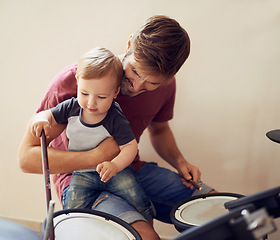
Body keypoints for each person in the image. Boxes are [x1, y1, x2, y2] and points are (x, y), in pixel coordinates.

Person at [18, 15, 215, 240]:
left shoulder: (166, 86)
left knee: (219, 211)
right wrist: (95, 157)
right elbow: (26, 158)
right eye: (135, 72)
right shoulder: (77, 82)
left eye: (152, 83)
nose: (137, 86)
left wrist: (180, 162)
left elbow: (159, 130)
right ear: (129, 44)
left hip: (131, 169)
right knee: (146, 236)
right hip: (80, 180)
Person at [30, 47, 155, 222]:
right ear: (77, 82)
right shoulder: (71, 107)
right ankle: (68, 227)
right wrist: (42, 119)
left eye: (102, 97)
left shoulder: (114, 117)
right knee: (73, 204)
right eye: (84, 93)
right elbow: (48, 114)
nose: (91, 103)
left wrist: (115, 166)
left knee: (136, 197)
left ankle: (148, 216)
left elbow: (130, 146)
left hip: (115, 171)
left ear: (115, 93)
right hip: (82, 173)